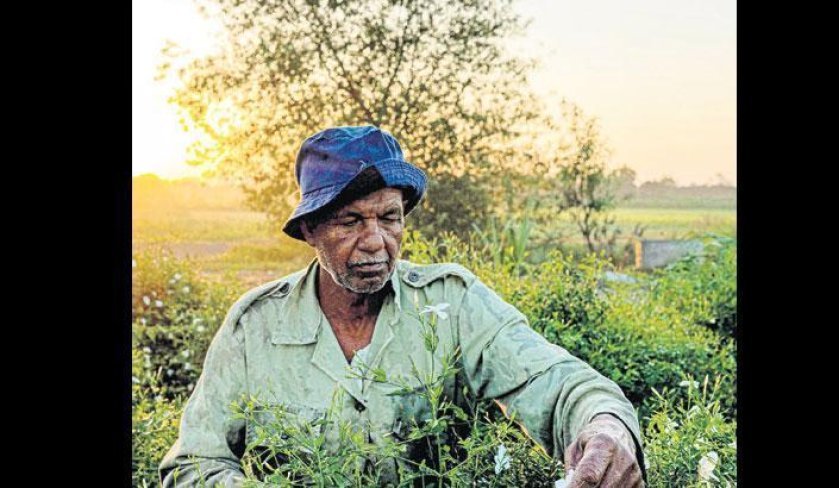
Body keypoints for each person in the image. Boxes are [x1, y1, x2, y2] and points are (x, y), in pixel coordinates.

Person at [159, 125, 646, 487]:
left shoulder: (451, 302)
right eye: (350, 221)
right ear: (310, 229)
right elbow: (194, 465)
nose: (376, 242)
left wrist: (605, 424)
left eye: (390, 218)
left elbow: (556, 382)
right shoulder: (255, 326)